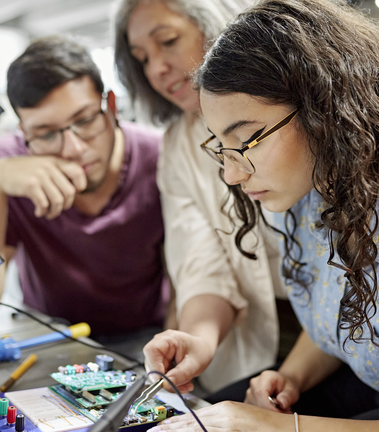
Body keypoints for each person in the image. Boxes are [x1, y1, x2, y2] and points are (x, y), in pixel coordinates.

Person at [149, 0, 379, 430]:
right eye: (221, 147)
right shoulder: (311, 190)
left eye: (246, 140)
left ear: (329, 109)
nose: (231, 172)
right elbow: (346, 314)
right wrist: (291, 377)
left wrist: (278, 427)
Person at [113, 0, 302, 395]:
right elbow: (200, 260)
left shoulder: (299, 115)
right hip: (261, 334)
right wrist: (198, 339)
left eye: (168, 41)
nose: (157, 69)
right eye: (142, 58)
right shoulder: (179, 146)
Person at [0, 35, 169, 357]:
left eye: (84, 120)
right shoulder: (4, 164)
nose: (74, 149)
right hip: (45, 333)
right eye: (46, 134)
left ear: (110, 105)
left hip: (146, 338)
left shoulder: (161, 157)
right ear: (23, 131)